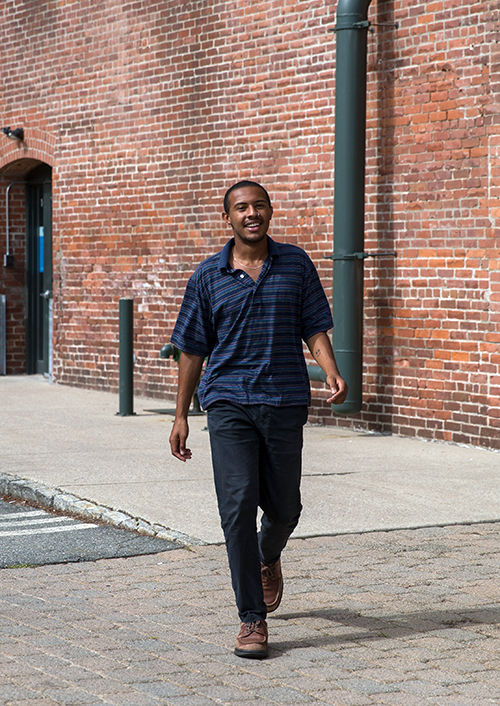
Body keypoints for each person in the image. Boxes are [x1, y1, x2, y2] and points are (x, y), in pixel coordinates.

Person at [169, 181, 348, 659]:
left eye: (259, 206)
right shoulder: (209, 275)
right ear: (227, 218)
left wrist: (330, 370)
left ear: (270, 212)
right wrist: (181, 414)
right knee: (237, 507)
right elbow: (191, 349)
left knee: (286, 510)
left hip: (286, 399)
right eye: (241, 208)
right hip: (228, 402)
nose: (251, 214)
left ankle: (269, 557)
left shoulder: (296, 263)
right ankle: (251, 619)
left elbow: (314, 325)